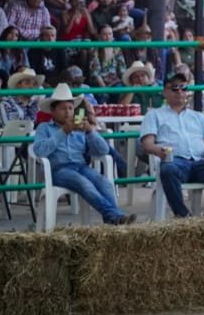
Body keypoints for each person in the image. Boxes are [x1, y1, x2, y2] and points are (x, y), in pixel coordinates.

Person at [139, 72, 204, 217]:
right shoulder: (154, 115)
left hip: (201, 163)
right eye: (174, 88)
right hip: (176, 161)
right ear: (165, 92)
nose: (180, 91)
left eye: (183, 87)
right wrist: (159, 150)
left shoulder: (199, 117)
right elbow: (147, 145)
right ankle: (183, 216)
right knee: (168, 170)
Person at [32, 83, 134, 225]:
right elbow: (39, 150)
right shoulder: (44, 128)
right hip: (59, 170)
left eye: (70, 108)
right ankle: (115, 216)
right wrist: (63, 132)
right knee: (85, 184)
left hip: (80, 166)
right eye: (62, 109)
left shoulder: (79, 127)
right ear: (53, 111)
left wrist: (90, 131)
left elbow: (103, 150)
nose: (67, 112)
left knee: (104, 183)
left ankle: (114, 219)